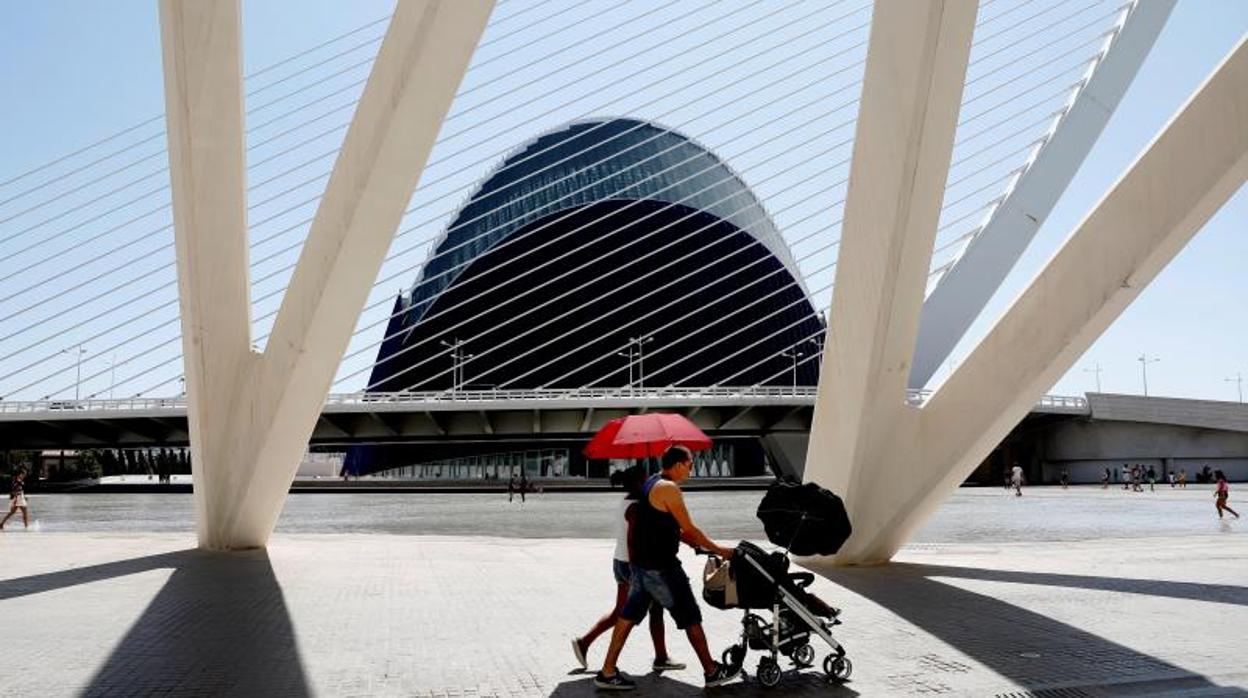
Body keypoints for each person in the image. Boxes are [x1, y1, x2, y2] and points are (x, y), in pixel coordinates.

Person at [594, 446, 741, 690]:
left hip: (641, 567)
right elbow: (690, 528)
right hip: (662, 569)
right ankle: (712, 671)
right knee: (690, 615)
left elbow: (661, 525)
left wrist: (687, 541)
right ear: (680, 463)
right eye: (691, 464)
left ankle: (607, 672)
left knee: (627, 617)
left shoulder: (652, 482)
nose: (692, 469)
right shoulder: (669, 489)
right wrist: (721, 550)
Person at [572, 466, 683, 675]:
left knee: (625, 612)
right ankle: (615, 664)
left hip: (619, 561)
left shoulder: (626, 500)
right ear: (639, 483)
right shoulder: (636, 506)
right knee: (634, 614)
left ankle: (585, 642)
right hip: (634, 565)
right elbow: (633, 538)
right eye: (646, 479)